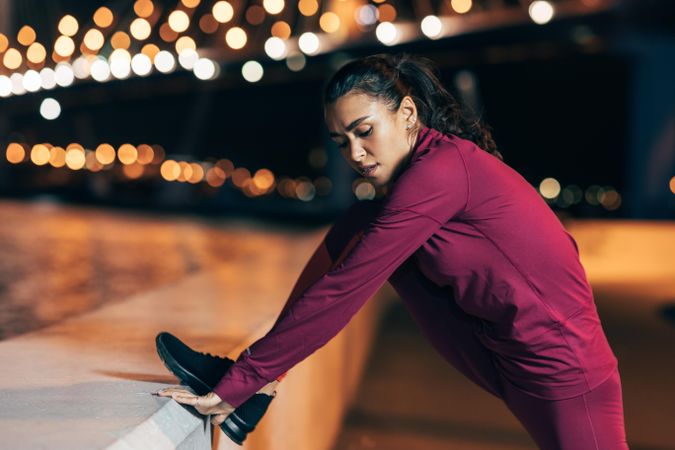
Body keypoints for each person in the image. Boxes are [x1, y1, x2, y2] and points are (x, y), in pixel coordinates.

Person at [157, 52, 629, 449]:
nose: (356, 154)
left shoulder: (441, 171)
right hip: (507, 356)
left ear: (407, 114)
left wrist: (244, 378)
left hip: (564, 372)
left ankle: (254, 380)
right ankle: (262, 384)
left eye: (365, 131)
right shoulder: (421, 174)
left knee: (366, 244)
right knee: (358, 226)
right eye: (342, 142)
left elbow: (347, 286)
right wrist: (258, 374)